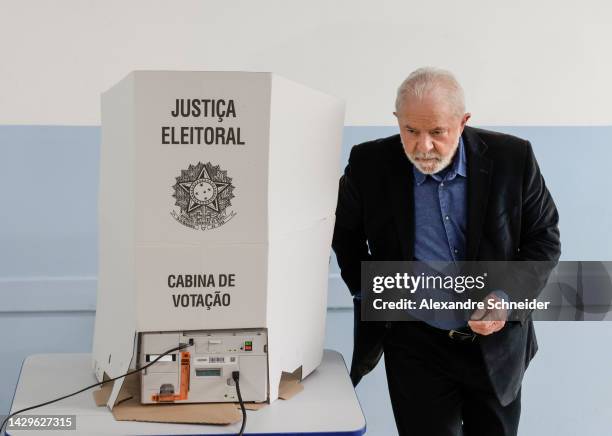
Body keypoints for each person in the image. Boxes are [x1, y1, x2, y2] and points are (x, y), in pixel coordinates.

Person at [332, 67, 561, 436]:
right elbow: (345, 236)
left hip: (495, 346)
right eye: (410, 130)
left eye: (437, 132)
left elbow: (543, 240)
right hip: (415, 343)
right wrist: (373, 291)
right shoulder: (369, 164)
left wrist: (505, 297)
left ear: (463, 121)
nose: (423, 146)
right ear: (397, 121)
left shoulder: (512, 158)